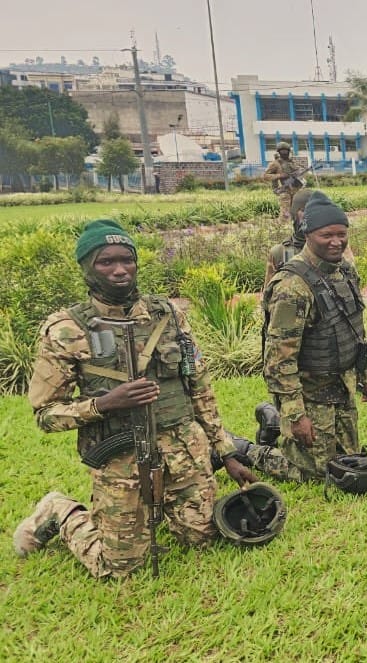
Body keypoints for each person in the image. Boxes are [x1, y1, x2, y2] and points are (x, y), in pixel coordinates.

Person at [14, 219, 257, 578]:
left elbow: (200, 388)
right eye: (106, 262)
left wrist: (226, 452)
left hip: (183, 450)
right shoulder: (66, 330)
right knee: (119, 568)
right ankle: (59, 511)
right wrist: (104, 404)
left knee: (202, 538)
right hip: (120, 456)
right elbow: (46, 414)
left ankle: (167, 508)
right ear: (87, 267)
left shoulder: (168, 315)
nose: (119, 270)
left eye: (126, 260)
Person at [250, 194, 367, 482]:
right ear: (307, 235)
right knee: (319, 473)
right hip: (309, 391)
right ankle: (247, 450)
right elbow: (278, 361)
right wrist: (296, 414)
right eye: (326, 235)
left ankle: (274, 421)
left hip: (340, 386)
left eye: (341, 234)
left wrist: (366, 373)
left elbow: (355, 328)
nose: (336, 242)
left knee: (349, 460)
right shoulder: (292, 286)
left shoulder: (345, 271)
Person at [264, 141, 304, 223]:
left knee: (297, 212)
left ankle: (296, 227)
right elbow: (265, 176)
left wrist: (298, 174)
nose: (285, 153)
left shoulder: (292, 162)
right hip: (284, 190)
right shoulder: (275, 164)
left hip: (295, 189)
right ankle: (284, 228)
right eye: (282, 151)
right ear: (279, 152)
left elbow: (298, 172)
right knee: (285, 214)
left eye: (286, 151)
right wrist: (280, 175)